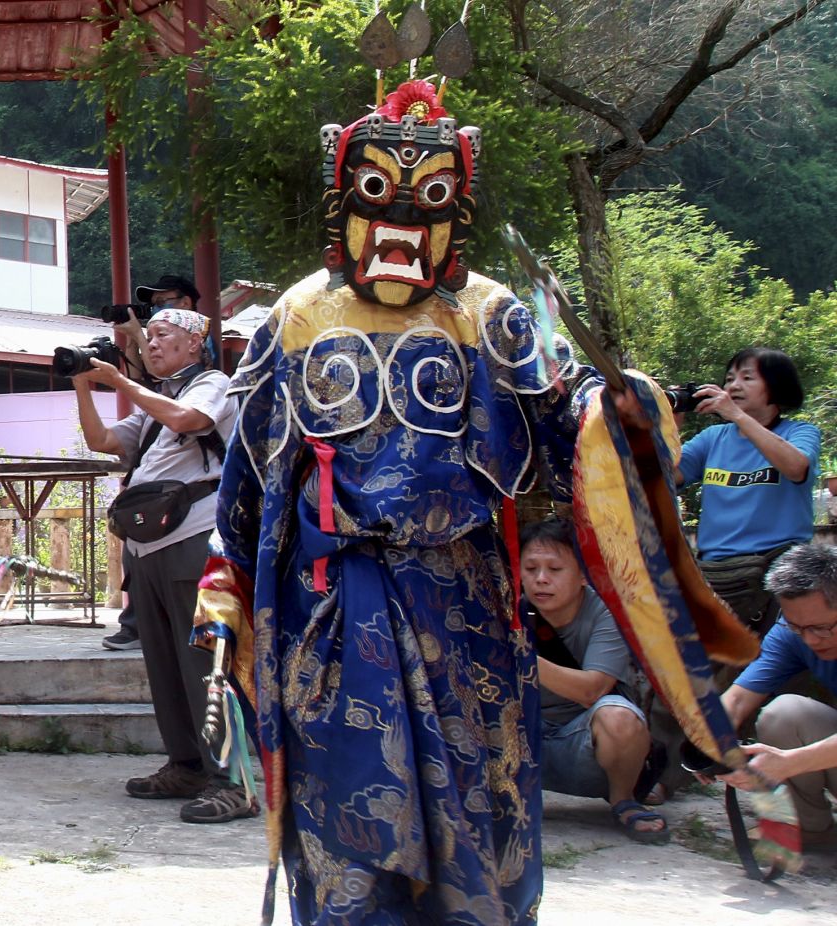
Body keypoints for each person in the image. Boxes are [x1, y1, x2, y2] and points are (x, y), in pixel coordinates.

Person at [191, 79, 676, 924]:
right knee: (344, 799)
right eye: (377, 194)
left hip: (465, 603)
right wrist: (225, 586)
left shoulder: (490, 313)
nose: (402, 223)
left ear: (461, 211)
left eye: (434, 197)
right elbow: (251, 477)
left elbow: (565, 439)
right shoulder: (299, 316)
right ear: (342, 201)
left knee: (477, 798)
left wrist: (618, 412)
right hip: (333, 607)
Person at [73, 304, 248, 824]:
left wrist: (120, 381)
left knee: (205, 662)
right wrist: (84, 385)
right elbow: (104, 443)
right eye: (148, 336)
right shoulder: (154, 401)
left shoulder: (211, 383)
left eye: (163, 334)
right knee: (164, 663)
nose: (150, 343)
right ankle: (187, 764)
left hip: (196, 536)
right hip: (147, 545)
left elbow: (189, 421)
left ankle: (232, 781)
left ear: (195, 342)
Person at [521, 517, 668, 844]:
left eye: (555, 570)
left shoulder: (608, 612)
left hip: (584, 746)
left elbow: (593, 689)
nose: (541, 580)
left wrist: (522, 657)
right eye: (530, 569)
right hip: (524, 741)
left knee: (619, 717)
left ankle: (624, 799)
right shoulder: (508, 611)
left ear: (584, 575)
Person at [675, 347, 819, 634]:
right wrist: (668, 424)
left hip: (780, 572)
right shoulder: (712, 438)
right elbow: (666, 475)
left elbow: (796, 467)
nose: (733, 386)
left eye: (747, 377)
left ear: (776, 387)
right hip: (717, 575)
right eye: (729, 379)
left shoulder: (800, 432)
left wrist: (737, 415)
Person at [101, 275, 206, 652]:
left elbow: (179, 412)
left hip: (194, 514)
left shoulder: (207, 373)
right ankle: (135, 622)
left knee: (192, 643)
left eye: (170, 302)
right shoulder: (163, 378)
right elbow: (147, 381)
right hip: (152, 503)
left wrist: (134, 355)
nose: (155, 343)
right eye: (155, 306)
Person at [709, 543, 837, 847]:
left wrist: (789, 762)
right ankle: (814, 831)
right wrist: (712, 744)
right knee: (784, 714)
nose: (809, 639)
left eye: (822, 628)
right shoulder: (792, 632)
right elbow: (738, 698)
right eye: (797, 627)